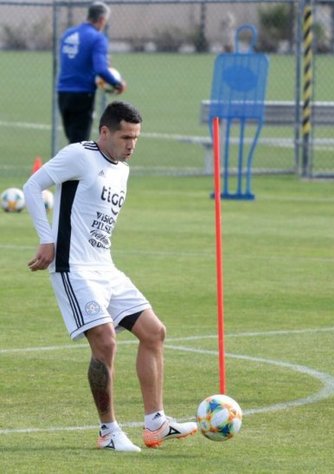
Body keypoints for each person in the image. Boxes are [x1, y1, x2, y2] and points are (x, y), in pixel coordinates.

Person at [23, 101, 197, 452]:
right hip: (74, 268)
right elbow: (32, 186)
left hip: (106, 268)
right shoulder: (79, 155)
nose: (131, 144)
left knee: (154, 332)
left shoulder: (123, 170)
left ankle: (156, 423)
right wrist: (47, 239)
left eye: (136, 138)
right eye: (125, 136)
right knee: (105, 340)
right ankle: (108, 431)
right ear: (104, 132)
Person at [57, 1, 126, 144]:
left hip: (63, 92)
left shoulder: (67, 34)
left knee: (72, 141)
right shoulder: (97, 38)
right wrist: (117, 83)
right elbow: (100, 69)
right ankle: (76, 167)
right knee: (80, 144)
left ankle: (71, 166)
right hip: (82, 95)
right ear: (101, 19)